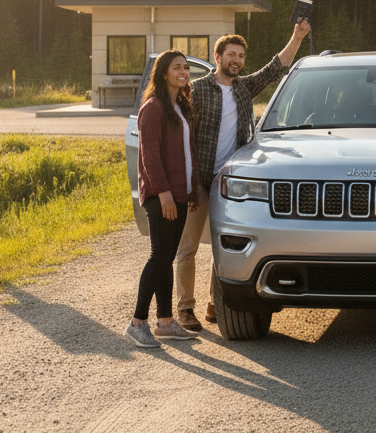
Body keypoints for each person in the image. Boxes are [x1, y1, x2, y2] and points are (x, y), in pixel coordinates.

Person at [174, 17, 312, 331]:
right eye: (231, 55)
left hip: (232, 184)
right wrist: (189, 182)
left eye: (241, 57)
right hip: (199, 181)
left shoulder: (243, 88)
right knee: (187, 248)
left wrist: (297, 35)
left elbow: (276, 67)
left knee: (226, 245)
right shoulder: (196, 91)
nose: (236, 61)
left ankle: (215, 303)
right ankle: (184, 309)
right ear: (217, 57)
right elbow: (182, 139)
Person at [126, 50, 200, 348]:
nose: (183, 71)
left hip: (179, 194)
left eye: (185, 67)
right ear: (163, 73)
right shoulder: (153, 108)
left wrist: (190, 189)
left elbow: (186, 153)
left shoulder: (179, 106)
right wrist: (165, 194)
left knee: (167, 258)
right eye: (176, 67)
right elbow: (150, 157)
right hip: (161, 196)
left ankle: (166, 322)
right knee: (159, 256)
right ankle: (137, 323)